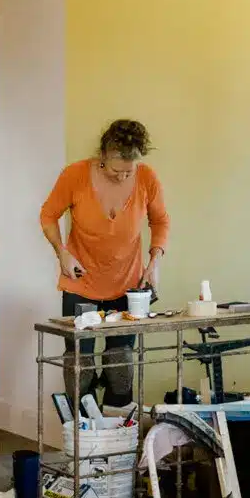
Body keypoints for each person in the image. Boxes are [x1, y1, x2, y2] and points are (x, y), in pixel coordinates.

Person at [39, 119, 171, 408]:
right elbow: (48, 215)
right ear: (102, 156)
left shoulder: (147, 178)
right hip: (80, 283)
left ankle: (117, 443)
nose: (123, 176)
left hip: (129, 287)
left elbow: (160, 220)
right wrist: (61, 252)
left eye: (129, 170)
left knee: (120, 365)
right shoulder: (75, 175)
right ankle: (84, 442)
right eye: (116, 170)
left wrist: (155, 260)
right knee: (80, 366)